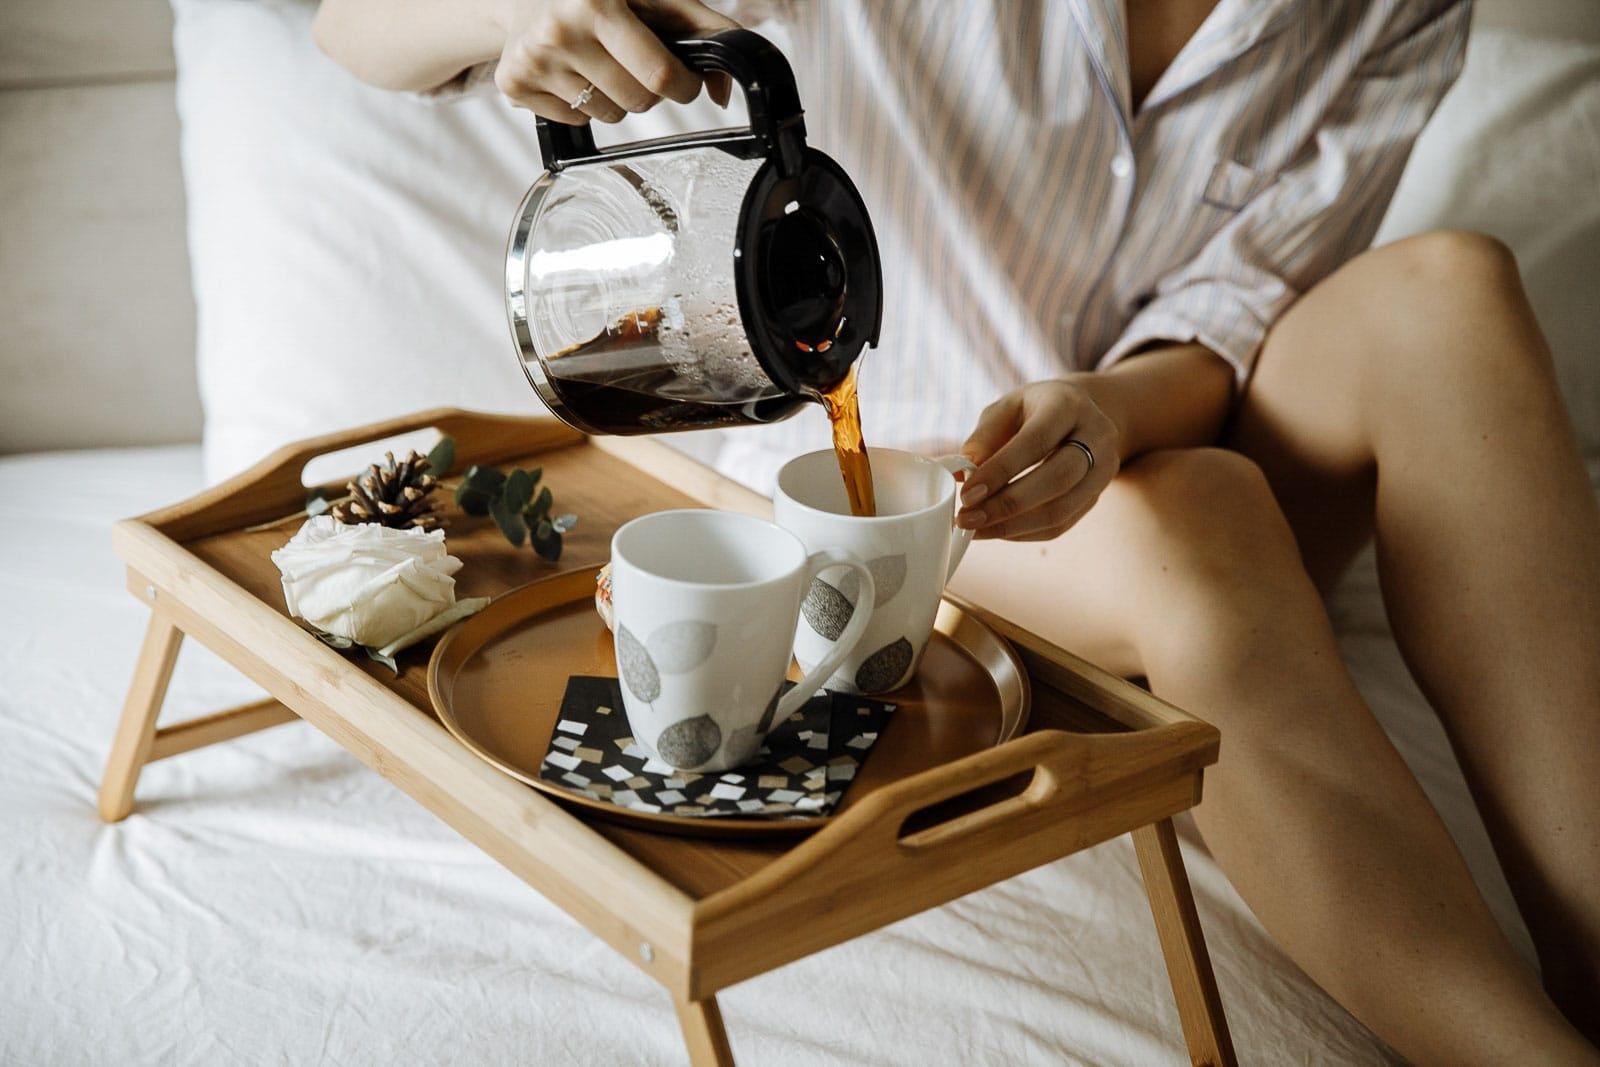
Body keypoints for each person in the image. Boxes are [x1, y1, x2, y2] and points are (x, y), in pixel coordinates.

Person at [313, 1, 1600, 1059]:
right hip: (863, 505)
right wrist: (520, 11)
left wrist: (1103, 412)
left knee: (1453, 290)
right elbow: (352, 28)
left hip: (1140, 424)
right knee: (1203, 512)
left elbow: (1230, 314)